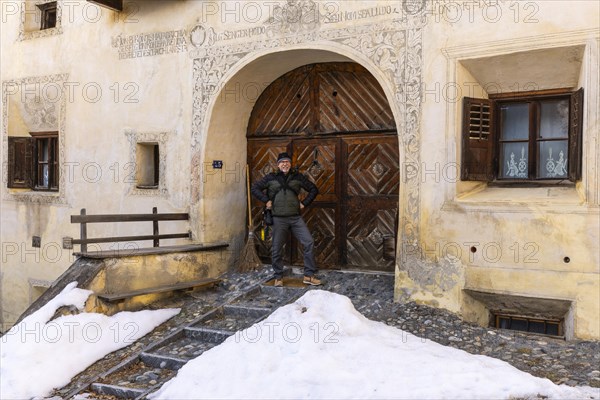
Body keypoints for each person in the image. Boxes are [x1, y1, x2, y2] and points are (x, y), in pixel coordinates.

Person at [251, 152, 322, 287]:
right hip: (278, 219)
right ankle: (278, 276)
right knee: (277, 247)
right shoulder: (271, 178)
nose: (285, 164)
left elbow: (313, 189)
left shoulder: (298, 177)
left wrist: (304, 203)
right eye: (282, 162)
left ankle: (309, 275)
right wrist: (266, 200)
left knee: (309, 242)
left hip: (295, 218)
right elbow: (255, 188)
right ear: (278, 165)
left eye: (287, 162)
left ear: (290, 164)